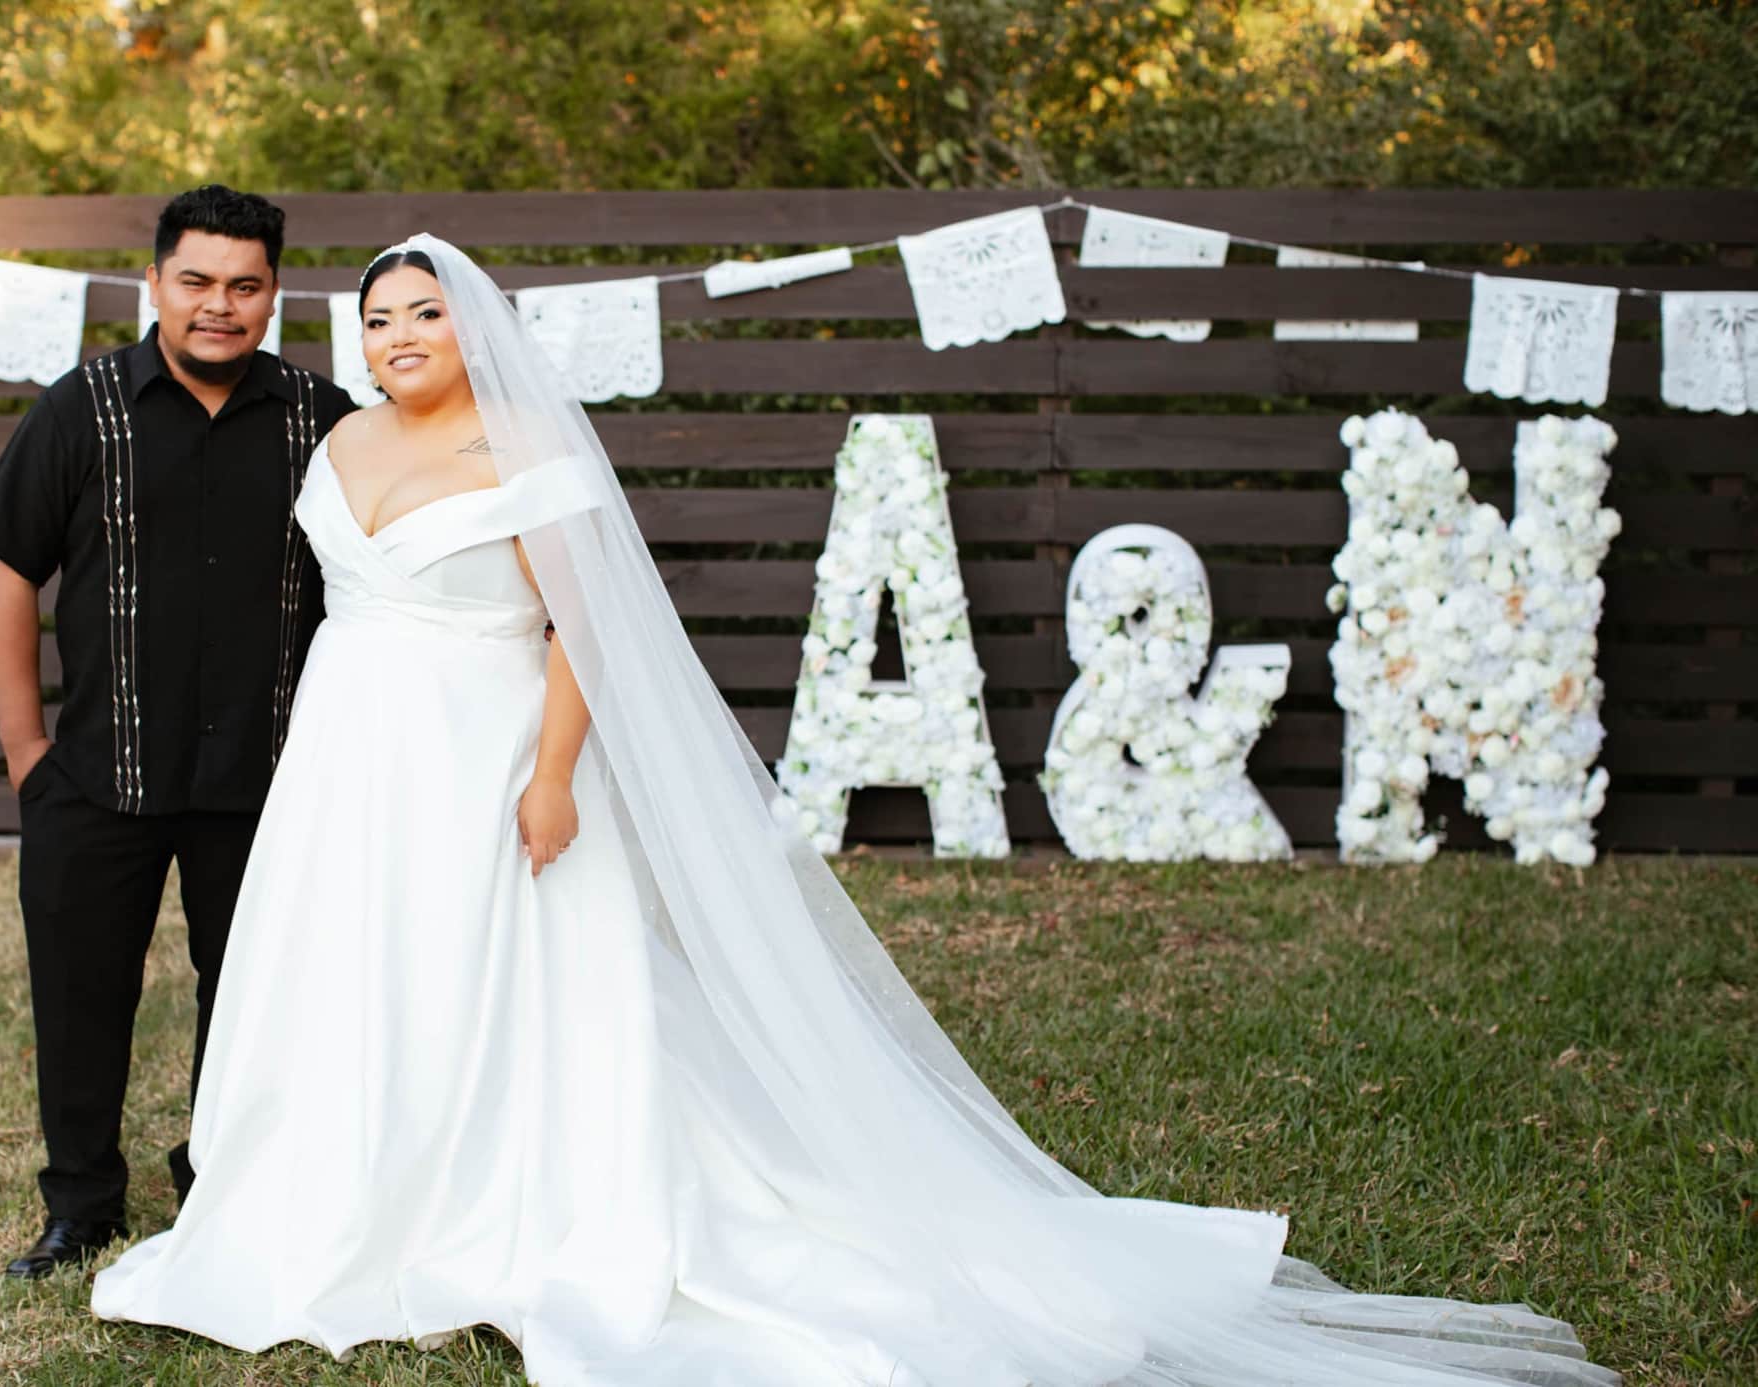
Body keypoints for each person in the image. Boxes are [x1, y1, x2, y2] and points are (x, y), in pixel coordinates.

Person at [89, 235, 1618, 1386]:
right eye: (377, 317)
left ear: (475, 329)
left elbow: (584, 633)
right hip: (353, 756)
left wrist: (550, 776)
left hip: (491, 752)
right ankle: (346, 1186)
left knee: (501, 977)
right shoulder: (342, 440)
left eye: (426, 312)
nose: (399, 335)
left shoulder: (526, 450)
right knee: (361, 970)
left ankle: (502, 1196)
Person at [0, 185, 356, 1280]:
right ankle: (80, 1204)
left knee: (253, 1005)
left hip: (267, 780)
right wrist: (24, 750)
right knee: (80, 998)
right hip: (98, 771)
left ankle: (221, 1188)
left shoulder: (325, 421)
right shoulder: (78, 408)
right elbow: (6, 567)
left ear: (273, 294)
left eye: (244, 285)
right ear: (154, 284)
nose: (218, 304)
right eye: (196, 281)